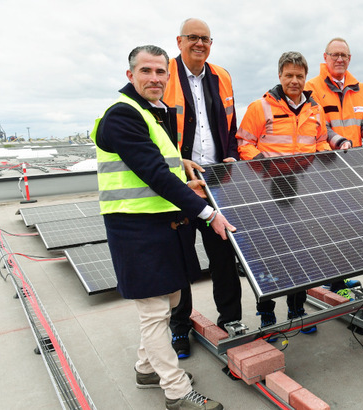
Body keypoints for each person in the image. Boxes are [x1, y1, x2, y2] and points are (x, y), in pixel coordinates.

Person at [91, 45, 232, 409]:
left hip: (159, 224)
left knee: (167, 300)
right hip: (136, 228)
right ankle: (177, 391)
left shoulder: (150, 114)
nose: (155, 78)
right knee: (154, 311)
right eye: (146, 71)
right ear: (130, 75)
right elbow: (153, 174)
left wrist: (182, 166)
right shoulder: (122, 116)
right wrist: (208, 213)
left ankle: (146, 368)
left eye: (160, 72)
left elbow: (161, 168)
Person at [237, 51, 331, 338]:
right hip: (269, 189)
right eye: (289, 75)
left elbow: (321, 141)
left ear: (305, 78)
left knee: (301, 251)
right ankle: (267, 315)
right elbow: (244, 143)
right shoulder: (259, 107)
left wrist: (329, 162)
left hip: (303, 190)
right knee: (268, 252)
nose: (294, 80)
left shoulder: (315, 109)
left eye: (299, 76)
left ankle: (297, 310)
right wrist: (265, 164)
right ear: (280, 76)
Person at [163, 17, 242, 360]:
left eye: (206, 39)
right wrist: (176, 166)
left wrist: (230, 155)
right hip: (178, 181)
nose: (200, 43)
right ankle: (180, 326)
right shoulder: (163, 74)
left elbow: (231, 122)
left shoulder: (221, 75)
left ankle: (232, 319)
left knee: (223, 254)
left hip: (215, 180)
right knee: (179, 259)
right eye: (193, 38)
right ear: (179, 41)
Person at [304, 37, 363, 299]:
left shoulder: (359, 87)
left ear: (349, 59)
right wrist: (338, 141)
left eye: (344, 55)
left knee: (350, 223)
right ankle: (334, 280)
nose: (339, 59)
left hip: (354, 165)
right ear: (325, 57)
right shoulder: (313, 87)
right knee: (330, 224)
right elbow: (318, 125)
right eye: (335, 55)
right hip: (327, 164)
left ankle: (340, 272)